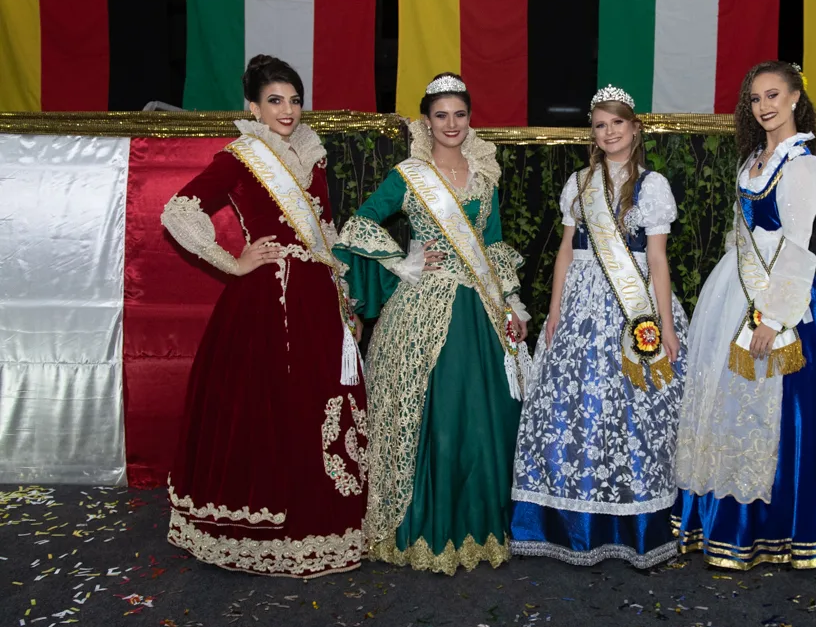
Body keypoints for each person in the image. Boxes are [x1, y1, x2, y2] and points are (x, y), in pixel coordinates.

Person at [160, 54, 367, 578]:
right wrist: (234, 261)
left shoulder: (313, 156)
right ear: (252, 106)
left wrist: (345, 297)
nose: (288, 110)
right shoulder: (242, 156)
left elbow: (328, 229)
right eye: (275, 100)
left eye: (295, 100)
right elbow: (179, 210)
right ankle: (266, 528)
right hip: (269, 300)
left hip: (318, 296)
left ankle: (327, 522)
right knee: (272, 406)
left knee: (323, 403)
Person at [673, 61, 816, 570]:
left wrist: (771, 319)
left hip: (782, 303)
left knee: (776, 414)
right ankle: (720, 523)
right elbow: (743, 237)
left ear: (796, 97)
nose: (764, 106)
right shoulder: (752, 161)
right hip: (733, 290)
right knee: (725, 404)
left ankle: (777, 531)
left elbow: (798, 248)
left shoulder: (804, 165)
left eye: (773, 95)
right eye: (756, 98)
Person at [334, 73, 531, 575]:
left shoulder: (485, 176)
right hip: (423, 306)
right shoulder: (408, 174)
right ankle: (421, 522)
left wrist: (512, 305)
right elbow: (359, 223)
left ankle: (484, 525)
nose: (451, 123)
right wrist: (405, 260)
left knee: (483, 417)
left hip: (480, 309)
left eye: (459, 114)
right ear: (427, 120)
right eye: (441, 115)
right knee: (435, 419)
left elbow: (495, 245)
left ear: (469, 119)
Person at [510, 86, 689, 568]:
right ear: (593, 133)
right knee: (576, 405)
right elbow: (566, 250)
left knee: (631, 407)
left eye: (617, 123)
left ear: (634, 128)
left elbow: (656, 259)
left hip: (633, 310)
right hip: (581, 303)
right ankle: (567, 518)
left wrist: (666, 326)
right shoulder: (579, 182)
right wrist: (554, 309)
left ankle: (635, 520)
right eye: (599, 125)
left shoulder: (652, 186)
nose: (608, 132)